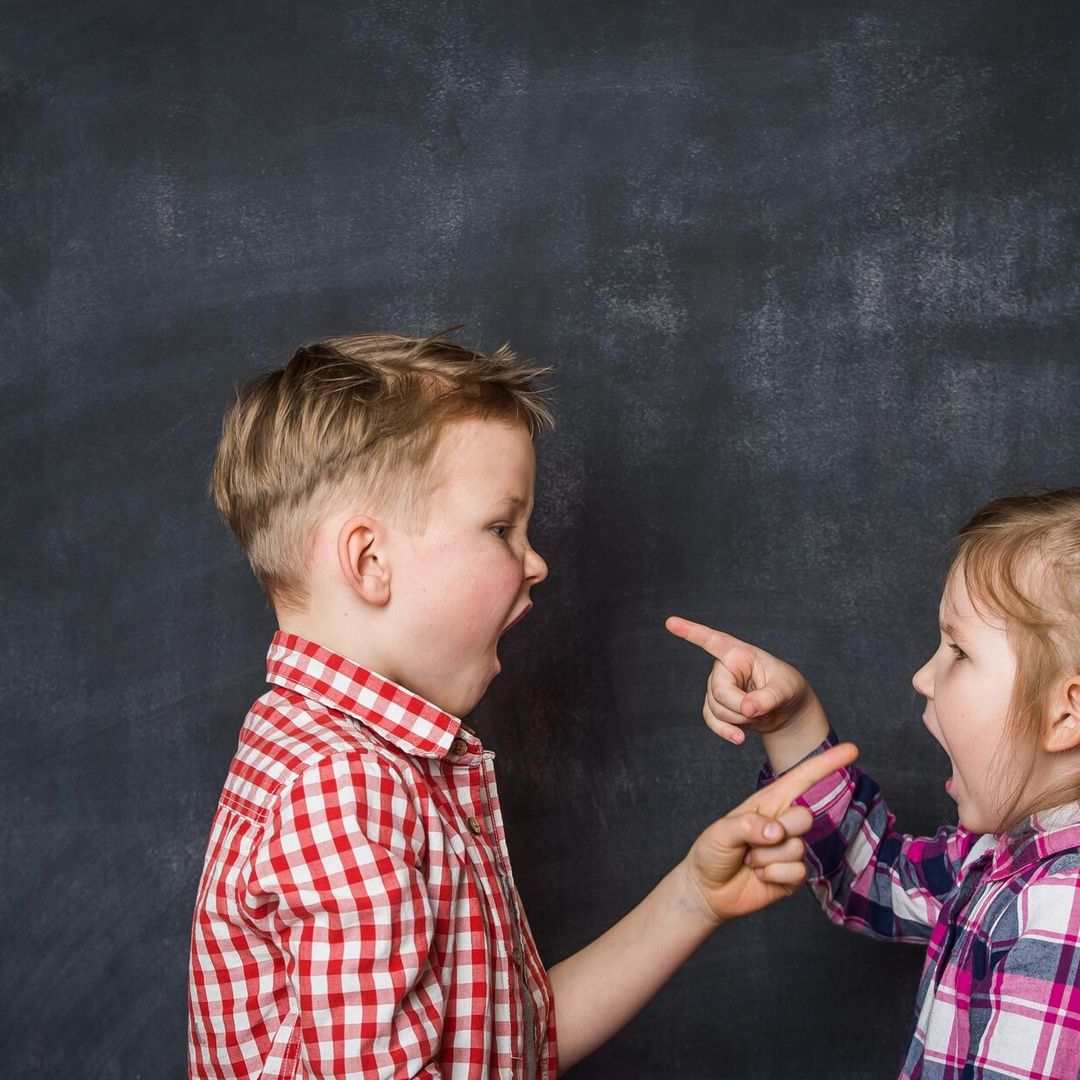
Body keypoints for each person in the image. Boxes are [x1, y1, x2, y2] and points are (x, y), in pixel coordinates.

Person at [187, 330, 856, 1079]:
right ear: (370, 562)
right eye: (502, 528)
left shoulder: (336, 756)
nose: (536, 561)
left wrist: (692, 899)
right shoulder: (346, 790)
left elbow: (506, 1047)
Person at [669, 488, 1080, 1080]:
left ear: (1064, 714)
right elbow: (868, 876)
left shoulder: (1060, 914)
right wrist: (792, 722)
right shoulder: (1002, 858)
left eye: (958, 651)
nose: (921, 677)